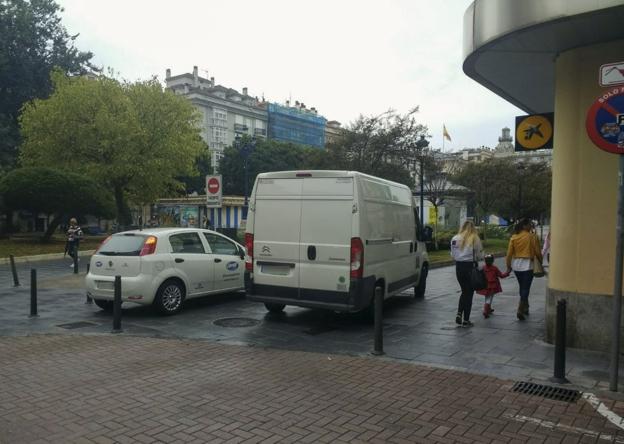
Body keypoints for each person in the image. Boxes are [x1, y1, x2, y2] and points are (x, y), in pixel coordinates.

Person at [506, 218, 542, 321]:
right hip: (528, 265)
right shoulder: (532, 237)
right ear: (524, 226)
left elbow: (509, 254)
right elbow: (538, 252)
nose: (531, 226)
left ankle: (526, 307)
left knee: (522, 287)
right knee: (525, 288)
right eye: (529, 224)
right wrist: (540, 261)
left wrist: (508, 266)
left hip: (517, 265)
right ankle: (520, 309)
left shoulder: (514, 237)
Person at [450, 220, 483, 327]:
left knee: (464, 291)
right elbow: (479, 255)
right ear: (473, 228)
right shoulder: (474, 238)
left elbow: (452, 254)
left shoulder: (455, 238)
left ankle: (459, 313)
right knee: (469, 293)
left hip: (459, 267)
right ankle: (466, 319)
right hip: (470, 267)